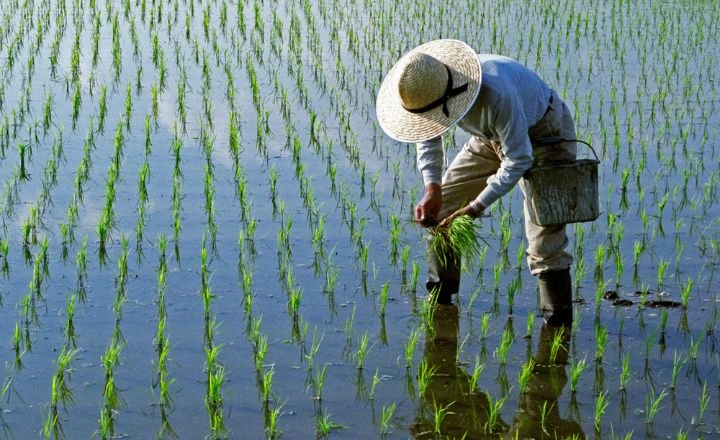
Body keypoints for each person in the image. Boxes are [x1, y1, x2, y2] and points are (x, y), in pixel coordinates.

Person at [376, 39, 577, 326]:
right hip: (490, 137)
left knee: (544, 237)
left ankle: (558, 326)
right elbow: (428, 135)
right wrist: (433, 188)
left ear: (449, 97)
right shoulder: (428, 91)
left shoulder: (496, 93)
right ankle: (440, 300)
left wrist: (475, 208)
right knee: (443, 210)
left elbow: (519, 159)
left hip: (546, 134)